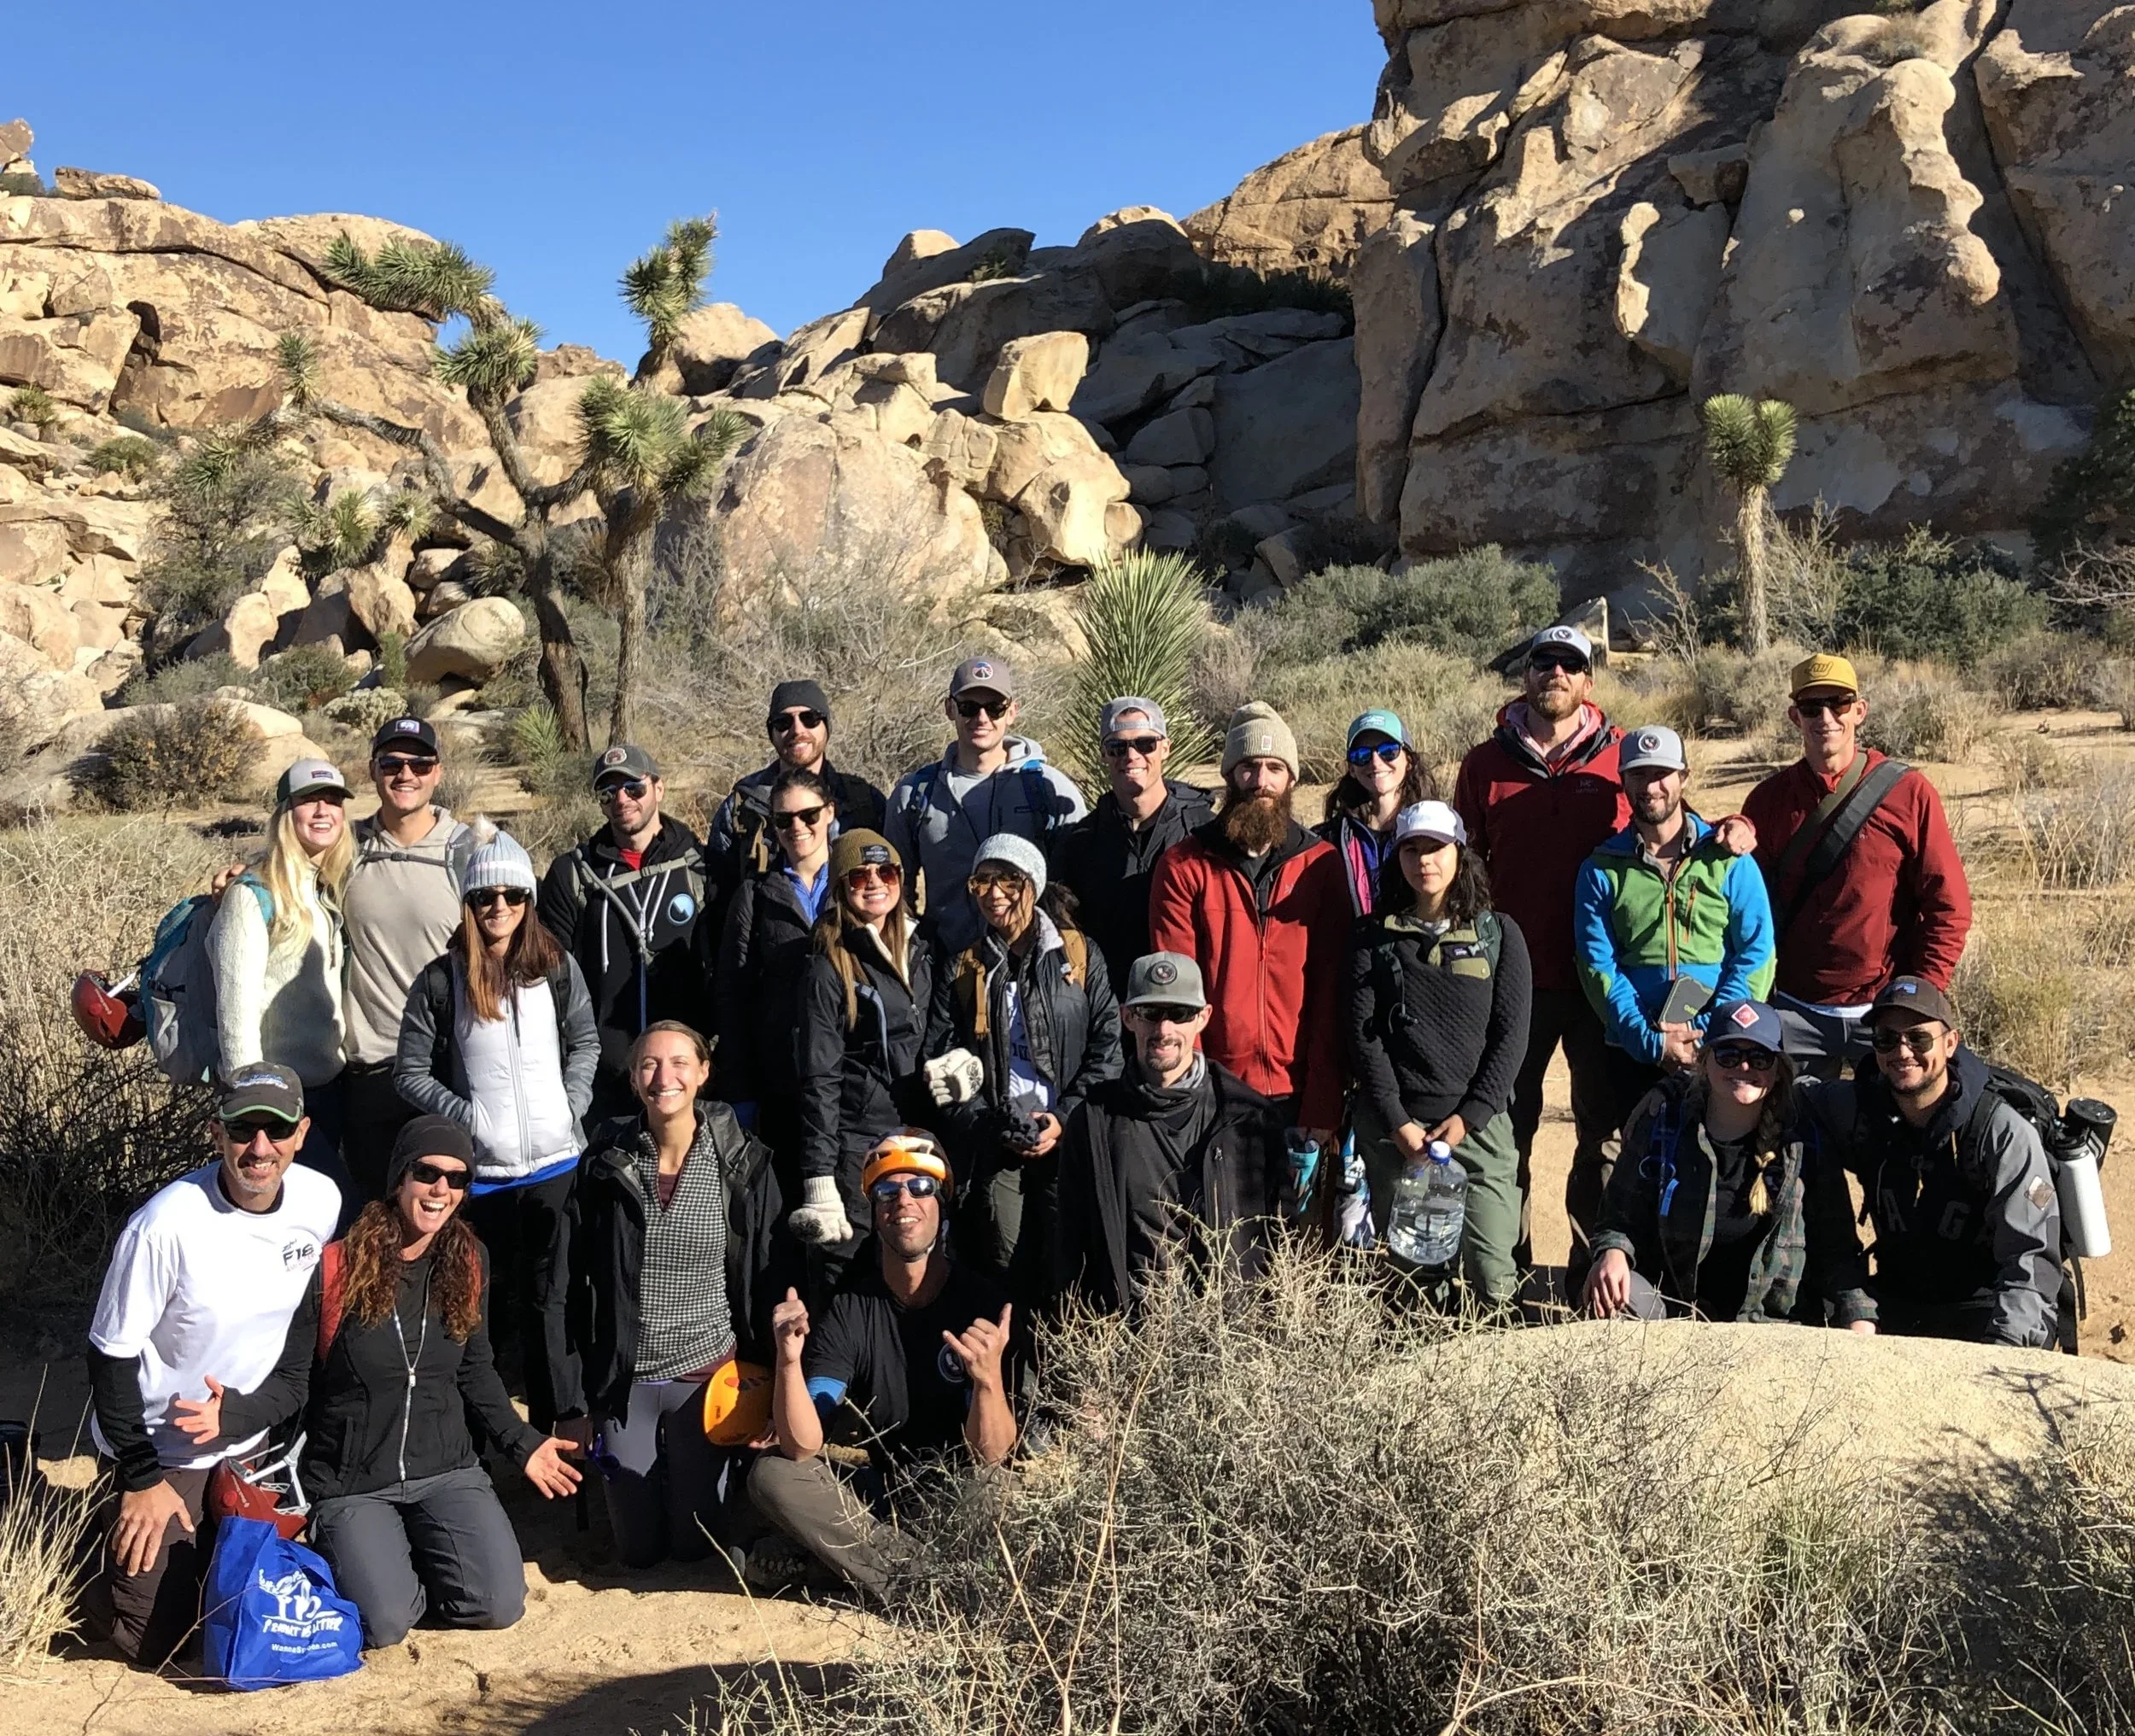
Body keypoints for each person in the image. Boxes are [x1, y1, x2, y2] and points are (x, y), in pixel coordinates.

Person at [169, 1116, 582, 1651]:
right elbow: (295, 1381)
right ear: (398, 1180)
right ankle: (371, 1553)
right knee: (386, 1623)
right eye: (427, 1173)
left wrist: (521, 1444)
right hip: (352, 1482)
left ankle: (398, 1553)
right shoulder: (338, 1267)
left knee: (498, 1604)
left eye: (457, 1179)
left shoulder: (469, 1261)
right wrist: (235, 1414)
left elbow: (475, 1370)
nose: (440, 1190)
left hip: (446, 1470)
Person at [82, 1064, 340, 1667]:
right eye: (242, 1129)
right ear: (214, 1132)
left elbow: (304, 1342)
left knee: (247, 1616)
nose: (259, 1148)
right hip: (160, 1448)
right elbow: (109, 1355)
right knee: (157, 1641)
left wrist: (254, 1414)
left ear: (301, 1134)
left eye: (276, 1130)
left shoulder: (321, 1201)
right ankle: (89, 1534)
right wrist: (141, 1476)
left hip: (253, 1439)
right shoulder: (164, 1226)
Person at [747, 1131, 1013, 1595]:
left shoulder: (982, 1301)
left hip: (956, 1493)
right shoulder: (851, 1307)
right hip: (885, 1495)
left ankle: (839, 1567)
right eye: (888, 1191)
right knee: (773, 1474)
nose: (904, 1200)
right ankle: (927, 1583)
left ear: (941, 1204)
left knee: (997, 1490)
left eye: (921, 1188)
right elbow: (805, 1445)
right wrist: (789, 1362)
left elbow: (990, 1455)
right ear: (874, 1209)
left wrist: (988, 1381)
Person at [396, 827, 598, 1433]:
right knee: (480, 1309)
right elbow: (409, 1072)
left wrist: (573, 1101)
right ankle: (479, 1440)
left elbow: (584, 1039)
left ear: (529, 899)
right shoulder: (441, 979)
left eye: (513, 895)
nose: (500, 908)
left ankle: (558, 1432)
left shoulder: (555, 966)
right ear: (469, 902)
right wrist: (468, 1122)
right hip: (482, 1179)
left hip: (558, 1165)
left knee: (552, 1307)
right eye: (486, 897)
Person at [570, 1023, 791, 1569]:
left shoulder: (744, 1164)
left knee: (696, 1548)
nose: (663, 1077)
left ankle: (707, 1476)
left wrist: (771, 1383)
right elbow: (568, 1283)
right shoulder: (604, 1161)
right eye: (648, 1064)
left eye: (678, 1063)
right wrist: (572, 1404)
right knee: (638, 1550)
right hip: (629, 1377)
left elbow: (766, 1276)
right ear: (632, 1077)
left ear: (703, 1073)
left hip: (707, 1372)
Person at [1741, 654, 1971, 1073]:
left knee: (1899, 1132)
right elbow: (1741, 909)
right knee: (1797, 1132)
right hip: (1794, 1012)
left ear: (1859, 711)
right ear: (1795, 717)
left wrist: (1920, 995)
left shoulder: (1908, 793)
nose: (1825, 717)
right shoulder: (1768, 801)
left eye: (1839, 704)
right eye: (1812, 707)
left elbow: (1948, 908)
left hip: (1885, 1015)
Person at [1803, 977, 2061, 1347]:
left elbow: (2030, 1261)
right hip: (1896, 1300)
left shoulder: (2000, 1132)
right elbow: (1783, 1094)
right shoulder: (1861, 1110)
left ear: (1951, 1043)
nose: (1902, 1051)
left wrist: (2004, 1350)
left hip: (1985, 1306)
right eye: (1886, 1039)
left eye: (1919, 1038)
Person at [1583, 1001, 1875, 1327]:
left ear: (1778, 1069)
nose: (1744, 1068)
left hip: (1774, 1328)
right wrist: (1613, 1253)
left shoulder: (1803, 1144)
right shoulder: (1664, 1126)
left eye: (1760, 1058)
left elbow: (1837, 1248)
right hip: (1679, 1315)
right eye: (1728, 1056)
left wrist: (1858, 1317)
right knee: (1613, 1290)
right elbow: (1617, 1218)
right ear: (1704, 1062)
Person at [1346, 801, 1532, 1306]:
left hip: (1477, 1131)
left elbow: (1511, 1037)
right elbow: (1366, 1041)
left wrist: (1469, 1118)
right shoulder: (1373, 937)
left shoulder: (1499, 935)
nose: (1424, 860)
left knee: (1493, 1276)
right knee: (1416, 1284)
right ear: (1398, 858)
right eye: (1412, 848)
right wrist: (1399, 1125)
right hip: (1399, 1133)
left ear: (1459, 853)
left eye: (1436, 848)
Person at [923, 833, 1122, 1293]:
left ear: (1033, 883)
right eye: (983, 882)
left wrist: (1063, 1118)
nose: (995, 894)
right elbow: (940, 1063)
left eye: (1008, 879)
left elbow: (1108, 1050)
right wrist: (991, 1126)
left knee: (1070, 1268)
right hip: (997, 1149)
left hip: (1067, 1146)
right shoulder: (963, 968)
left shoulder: (1080, 956)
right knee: (1003, 1270)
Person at [1147, 702, 1349, 1149]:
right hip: (1215, 1091)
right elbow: (1176, 994)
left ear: (1292, 778)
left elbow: (1332, 992)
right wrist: (1192, 1090)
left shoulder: (1321, 866)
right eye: (1248, 768)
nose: (1261, 781)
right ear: (1229, 776)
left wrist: (1322, 1103)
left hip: (1298, 1094)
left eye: (1275, 767)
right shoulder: (1185, 866)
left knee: (1298, 1221)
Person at [1050, 953, 1295, 1313]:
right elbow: (1069, 1243)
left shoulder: (1248, 1117)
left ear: (1203, 1018)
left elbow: (1282, 1238)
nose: (1164, 1030)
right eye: (1150, 1013)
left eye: (1179, 1014)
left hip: (1230, 1342)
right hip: (1127, 1338)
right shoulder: (1094, 1123)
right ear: (1128, 1018)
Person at [1573, 724, 1776, 1125]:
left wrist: (1709, 1028)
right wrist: (1649, 1039)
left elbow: (1757, 952)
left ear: (1684, 777)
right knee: (1612, 1162)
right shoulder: (1601, 869)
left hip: (1720, 1048)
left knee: (1716, 1158)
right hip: (1631, 1045)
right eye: (1638, 774)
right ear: (1623, 781)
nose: (1650, 787)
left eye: (1661, 774)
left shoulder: (1727, 859)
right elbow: (1597, 964)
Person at [339, 716, 476, 1202]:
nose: (405, 774)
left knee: (444, 1216)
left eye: (419, 763)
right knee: (375, 1220)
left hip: (447, 1069)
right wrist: (236, 876)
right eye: (392, 763)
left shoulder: (469, 850)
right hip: (369, 1071)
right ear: (373, 772)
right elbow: (283, 873)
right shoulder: (344, 847)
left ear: (437, 772)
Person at [537, 744, 714, 1119]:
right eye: (608, 792)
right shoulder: (573, 875)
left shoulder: (699, 866)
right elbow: (551, 979)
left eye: (633, 788)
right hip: (606, 1082)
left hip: (685, 1079)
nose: (622, 799)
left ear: (659, 789)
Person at [209, 757, 354, 1198]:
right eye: (308, 801)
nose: (322, 811)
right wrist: (257, 1120)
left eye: (333, 801)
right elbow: (236, 1019)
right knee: (332, 1210)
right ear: (284, 814)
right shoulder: (253, 896)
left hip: (329, 1090)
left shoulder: (323, 888)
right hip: (275, 1102)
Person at [791, 831, 935, 1267]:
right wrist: (819, 1177)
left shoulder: (923, 948)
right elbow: (819, 1078)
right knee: (853, 1268)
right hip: (857, 1145)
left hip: (920, 1136)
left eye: (886, 871)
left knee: (917, 1263)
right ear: (839, 886)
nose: (875, 883)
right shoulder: (827, 966)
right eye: (859, 875)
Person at [884, 656, 1085, 955]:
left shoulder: (1048, 789)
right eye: (969, 707)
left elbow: (1077, 887)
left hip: (1032, 968)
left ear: (1012, 712)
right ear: (949, 708)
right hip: (947, 969)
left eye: (994, 708)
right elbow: (895, 889)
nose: (982, 718)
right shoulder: (914, 795)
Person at [715, 766, 839, 1199]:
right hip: (780, 1083)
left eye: (808, 815)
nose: (797, 828)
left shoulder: (857, 885)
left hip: (849, 1083)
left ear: (829, 813)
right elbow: (733, 995)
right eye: (784, 820)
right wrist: (742, 1095)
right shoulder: (756, 893)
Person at [1045, 696, 1213, 987]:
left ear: (1166, 748)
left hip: (1187, 1012)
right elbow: (1064, 937)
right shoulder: (1079, 844)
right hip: (1109, 1013)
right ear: (1103, 754)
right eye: (1117, 747)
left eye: (1145, 744)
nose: (1131, 755)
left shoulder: (1205, 833)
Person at [705, 679, 886, 904]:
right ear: (771, 732)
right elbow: (717, 893)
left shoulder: (865, 802)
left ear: (826, 726)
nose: (797, 730)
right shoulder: (743, 805)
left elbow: (895, 883)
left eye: (810, 719)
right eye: (783, 722)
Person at [1318, 710, 1436, 917]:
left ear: (1408, 761)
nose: (1375, 761)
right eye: (1361, 755)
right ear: (1352, 769)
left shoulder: (1435, 830)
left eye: (1388, 750)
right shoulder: (1330, 840)